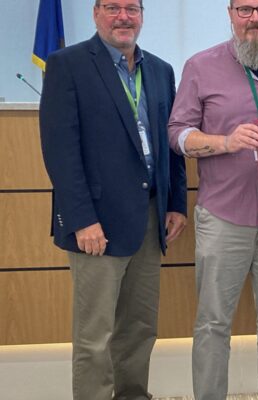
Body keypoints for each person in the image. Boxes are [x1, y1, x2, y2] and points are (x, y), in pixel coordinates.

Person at [167, 1, 258, 398]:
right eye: (245, 9)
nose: (254, 18)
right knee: (213, 324)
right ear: (230, 13)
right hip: (223, 218)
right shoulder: (200, 67)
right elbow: (178, 134)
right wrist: (225, 141)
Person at [39, 1, 188, 399]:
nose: (123, 16)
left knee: (140, 328)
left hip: (151, 218)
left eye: (132, 8)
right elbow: (60, 150)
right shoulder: (66, 64)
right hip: (96, 223)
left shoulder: (160, 70)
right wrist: (81, 219)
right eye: (112, 7)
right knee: (95, 335)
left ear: (141, 15)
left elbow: (169, 142)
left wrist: (176, 203)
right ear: (95, 13)